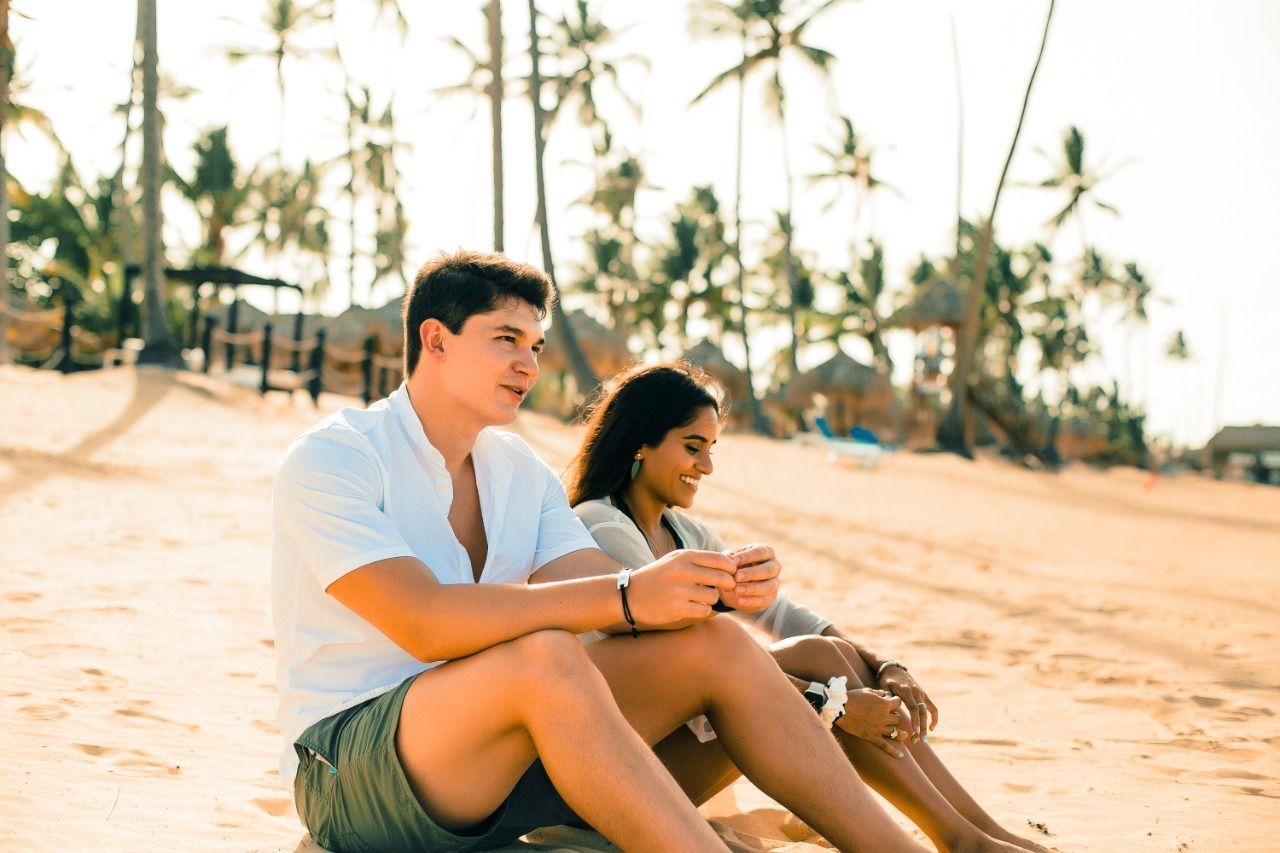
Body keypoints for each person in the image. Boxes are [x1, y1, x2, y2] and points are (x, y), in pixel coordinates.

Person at [271, 250, 940, 853]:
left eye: (534, 344)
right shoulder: (338, 457)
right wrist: (626, 594)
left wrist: (710, 586)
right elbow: (422, 620)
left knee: (719, 644)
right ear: (435, 339)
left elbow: (606, 587)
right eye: (506, 339)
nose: (529, 364)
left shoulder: (519, 472)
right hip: (349, 770)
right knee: (547, 654)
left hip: (501, 771)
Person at [566, 362, 1051, 853]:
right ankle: (962, 841)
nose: (707, 467)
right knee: (822, 667)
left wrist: (885, 666)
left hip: (678, 750)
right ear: (639, 443)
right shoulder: (599, 527)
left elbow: (783, 616)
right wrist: (832, 704)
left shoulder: (689, 535)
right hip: (622, 765)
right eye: (693, 448)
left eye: (711, 450)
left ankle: (977, 833)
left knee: (828, 653)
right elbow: (695, 659)